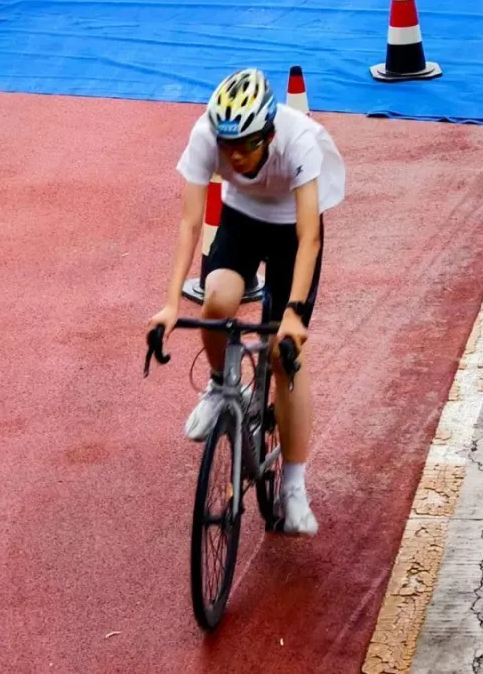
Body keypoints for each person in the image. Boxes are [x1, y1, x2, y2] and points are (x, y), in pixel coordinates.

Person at [148, 67, 346, 536]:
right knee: (216, 302)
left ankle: (294, 486)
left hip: (292, 228)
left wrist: (295, 315)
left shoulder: (300, 140)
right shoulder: (205, 136)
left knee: (284, 357)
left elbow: (308, 236)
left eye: (247, 145)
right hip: (243, 215)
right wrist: (171, 304)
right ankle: (221, 388)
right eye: (227, 146)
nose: (234, 156)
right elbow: (188, 225)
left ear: (270, 132)